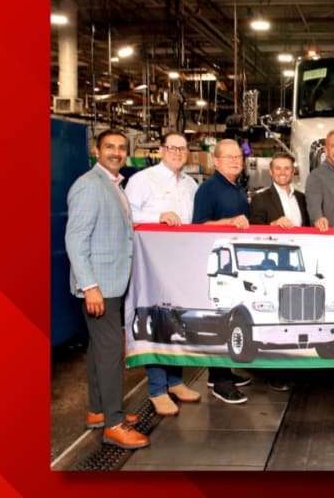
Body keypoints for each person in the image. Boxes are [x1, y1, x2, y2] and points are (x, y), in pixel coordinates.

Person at [65, 130, 149, 450]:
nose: (116, 152)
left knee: (99, 350)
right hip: (100, 285)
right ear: (96, 150)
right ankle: (113, 424)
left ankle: (98, 410)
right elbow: (75, 240)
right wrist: (90, 287)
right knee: (113, 351)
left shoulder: (114, 184)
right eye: (109, 147)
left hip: (111, 282)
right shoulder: (89, 186)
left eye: (121, 148)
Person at [124, 132, 203, 415]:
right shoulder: (142, 181)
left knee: (178, 322)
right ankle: (157, 389)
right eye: (172, 147)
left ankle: (175, 381)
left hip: (180, 265)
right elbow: (127, 217)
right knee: (156, 321)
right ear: (161, 150)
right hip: (152, 266)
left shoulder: (191, 185)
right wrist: (155, 218)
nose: (178, 153)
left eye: (182, 148)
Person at [192, 139, 254, 404]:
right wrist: (229, 222)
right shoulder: (208, 189)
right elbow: (199, 226)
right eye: (227, 157)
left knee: (231, 320)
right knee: (222, 320)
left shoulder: (236, 188)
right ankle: (220, 381)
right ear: (215, 161)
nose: (234, 161)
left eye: (238, 156)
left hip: (235, 266)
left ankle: (221, 371)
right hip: (219, 268)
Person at [248, 152, 309, 391]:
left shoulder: (302, 198)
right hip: (271, 270)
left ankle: (296, 365)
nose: (283, 172)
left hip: (297, 266)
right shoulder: (261, 199)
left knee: (296, 317)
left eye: (287, 168)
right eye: (279, 168)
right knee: (274, 318)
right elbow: (253, 232)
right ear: (271, 172)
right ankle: (276, 371)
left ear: (293, 171)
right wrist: (271, 226)